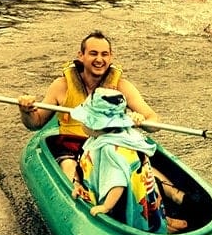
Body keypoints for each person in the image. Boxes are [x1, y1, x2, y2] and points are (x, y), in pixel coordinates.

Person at [17, 31, 159, 181]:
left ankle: (174, 195)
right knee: (69, 164)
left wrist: (139, 120)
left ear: (111, 57)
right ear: (81, 55)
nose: (99, 59)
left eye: (104, 54)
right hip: (71, 146)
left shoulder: (122, 87)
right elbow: (35, 123)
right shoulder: (61, 86)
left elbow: (154, 122)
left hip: (110, 144)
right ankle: (76, 194)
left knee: (137, 162)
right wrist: (26, 111)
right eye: (93, 53)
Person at [68, 88, 186, 234]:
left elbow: (117, 183)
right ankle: (159, 223)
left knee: (133, 221)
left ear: (96, 124)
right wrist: (77, 183)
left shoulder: (109, 150)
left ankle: (156, 228)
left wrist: (106, 207)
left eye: (84, 120)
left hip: (122, 201)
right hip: (140, 196)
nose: (81, 123)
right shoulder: (120, 136)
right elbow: (83, 164)